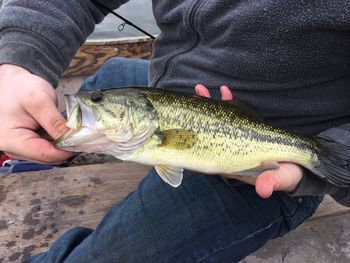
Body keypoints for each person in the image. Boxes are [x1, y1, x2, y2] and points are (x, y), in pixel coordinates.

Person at [0, 0, 349, 262]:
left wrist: (334, 161)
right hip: (169, 94)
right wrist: (20, 61)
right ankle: (42, 151)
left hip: (275, 170)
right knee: (104, 81)